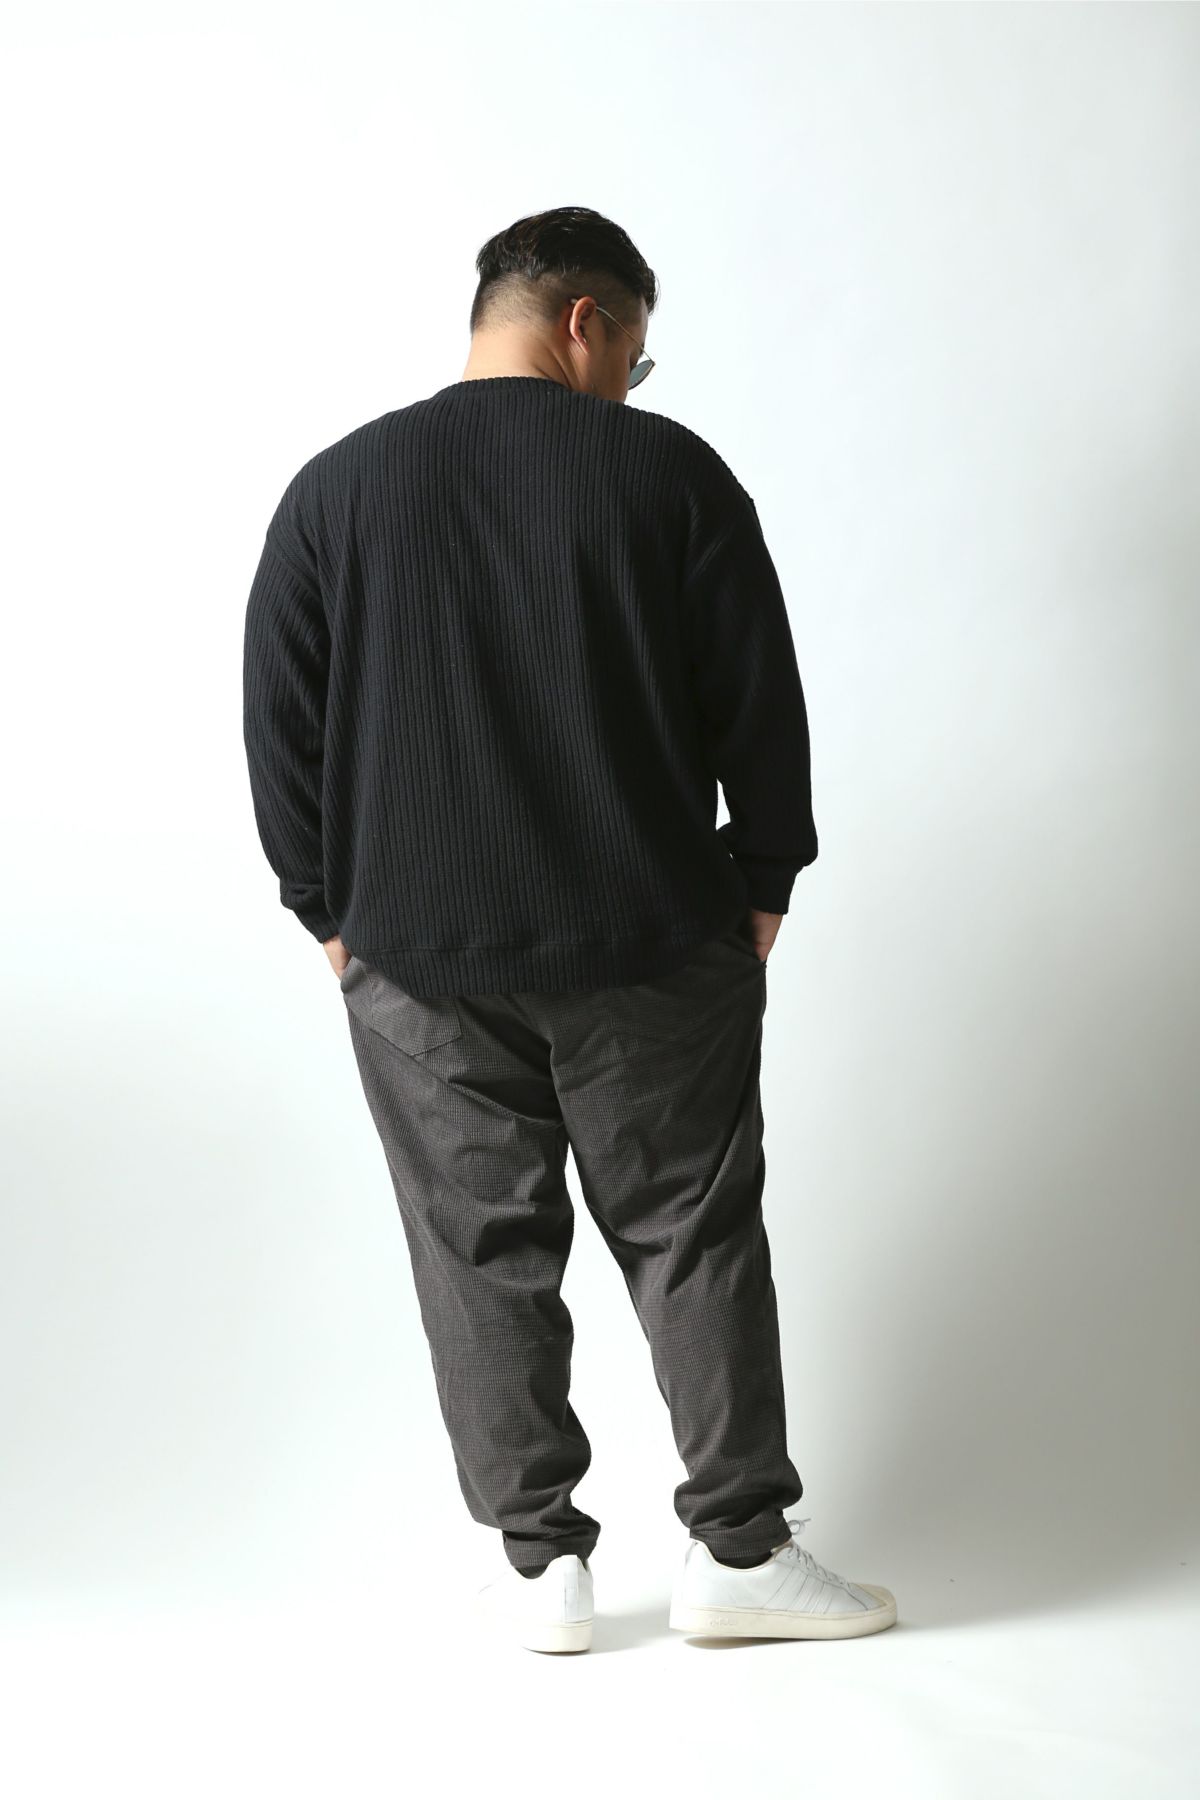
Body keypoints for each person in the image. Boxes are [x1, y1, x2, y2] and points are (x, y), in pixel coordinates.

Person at [242, 204, 896, 1654]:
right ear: (588, 321)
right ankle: (740, 1553)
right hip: (654, 939)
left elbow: (278, 722)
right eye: (634, 356)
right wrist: (764, 881)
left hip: (419, 958)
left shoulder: (336, 491)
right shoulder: (667, 476)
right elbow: (758, 699)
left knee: (478, 1254)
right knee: (691, 1236)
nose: (629, 387)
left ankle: (541, 1568)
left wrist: (329, 913)